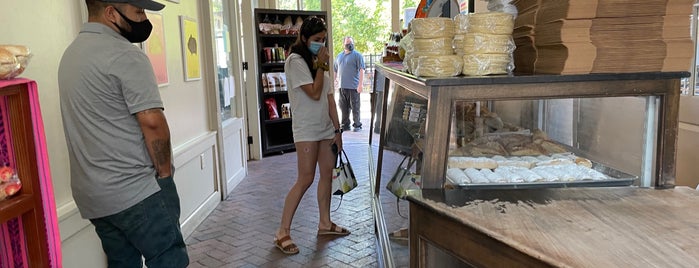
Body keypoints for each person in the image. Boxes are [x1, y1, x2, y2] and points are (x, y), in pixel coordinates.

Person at [58, 1, 189, 267]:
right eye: (139, 12)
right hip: (137, 191)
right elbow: (152, 122)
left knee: (122, 263)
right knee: (169, 261)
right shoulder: (126, 55)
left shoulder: (69, 56)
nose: (144, 18)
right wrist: (165, 176)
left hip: (95, 199)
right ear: (110, 13)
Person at [275, 16, 350, 255]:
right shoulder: (295, 61)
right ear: (305, 38)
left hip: (326, 129)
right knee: (305, 178)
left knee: (326, 175)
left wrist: (338, 130)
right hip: (306, 129)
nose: (322, 43)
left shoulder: (321, 63)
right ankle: (282, 232)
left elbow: (329, 96)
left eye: (324, 39)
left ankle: (325, 223)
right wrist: (320, 63)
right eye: (317, 39)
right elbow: (315, 93)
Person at [334, 36, 366, 132]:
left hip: (353, 87)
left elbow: (361, 70)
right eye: (347, 43)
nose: (349, 45)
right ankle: (345, 125)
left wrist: (360, 84)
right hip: (342, 86)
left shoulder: (357, 55)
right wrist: (334, 81)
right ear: (343, 44)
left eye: (351, 43)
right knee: (343, 107)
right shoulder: (339, 56)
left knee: (355, 106)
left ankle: (357, 125)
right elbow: (335, 69)